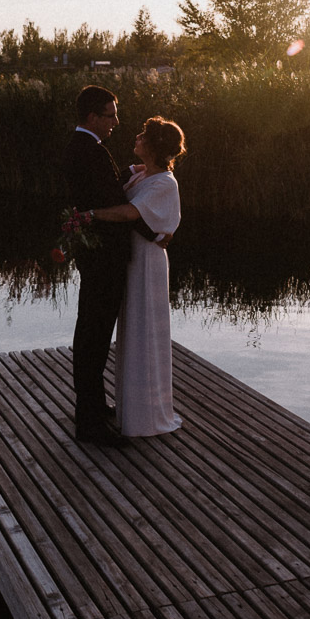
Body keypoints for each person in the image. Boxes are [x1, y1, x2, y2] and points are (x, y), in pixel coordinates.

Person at [62, 86, 164, 446]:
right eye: (110, 114)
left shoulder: (84, 149)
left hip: (95, 257)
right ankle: (88, 424)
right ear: (92, 117)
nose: (116, 122)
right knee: (93, 338)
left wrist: (127, 173)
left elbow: (104, 190)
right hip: (103, 258)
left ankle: (92, 406)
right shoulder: (89, 151)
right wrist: (153, 234)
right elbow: (115, 207)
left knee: (92, 334)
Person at [106, 118, 185, 437]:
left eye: (143, 136)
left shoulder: (165, 182)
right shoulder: (139, 172)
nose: (136, 137)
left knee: (145, 330)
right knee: (132, 327)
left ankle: (147, 414)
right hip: (133, 258)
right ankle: (130, 406)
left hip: (147, 261)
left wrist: (88, 215)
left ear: (153, 146)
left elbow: (129, 213)